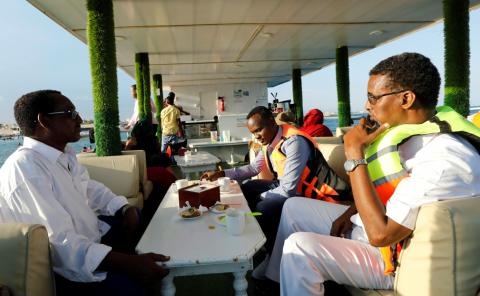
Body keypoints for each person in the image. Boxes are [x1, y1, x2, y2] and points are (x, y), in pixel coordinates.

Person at [264, 53, 480, 295]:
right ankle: (276, 283)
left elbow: (380, 235)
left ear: (406, 99)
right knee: (293, 207)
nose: (367, 106)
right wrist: (353, 210)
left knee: (300, 248)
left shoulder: (441, 158)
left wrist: (355, 153)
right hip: (373, 226)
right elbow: (389, 189)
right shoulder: (414, 134)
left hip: (392, 258)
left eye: (373, 98)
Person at [0, 90, 170, 296]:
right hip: (67, 269)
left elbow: (90, 188)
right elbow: (60, 244)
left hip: (92, 238)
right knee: (137, 289)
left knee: (146, 213)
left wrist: (123, 207)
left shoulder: (64, 155)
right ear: (44, 121)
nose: (80, 119)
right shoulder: (25, 169)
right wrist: (130, 263)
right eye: (70, 113)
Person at [201, 106, 351, 269]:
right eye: (253, 133)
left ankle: (275, 256)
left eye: (259, 130)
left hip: (318, 194)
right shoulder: (270, 140)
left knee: (263, 206)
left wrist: (262, 196)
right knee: (248, 187)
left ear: (272, 122)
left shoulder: (294, 142)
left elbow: (288, 189)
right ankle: (262, 242)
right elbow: (253, 169)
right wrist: (222, 173)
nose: (257, 137)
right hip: (290, 185)